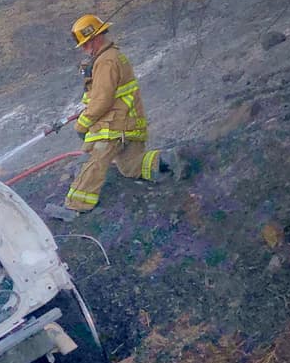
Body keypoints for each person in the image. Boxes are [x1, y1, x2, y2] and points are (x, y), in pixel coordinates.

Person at [44, 15, 186, 221]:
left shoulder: (106, 61)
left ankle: (74, 207)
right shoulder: (110, 58)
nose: (85, 50)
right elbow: (96, 96)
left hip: (114, 126)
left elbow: (102, 100)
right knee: (130, 166)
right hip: (129, 124)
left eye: (85, 45)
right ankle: (165, 160)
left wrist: (82, 126)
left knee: (93, 161)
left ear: (95, 39)